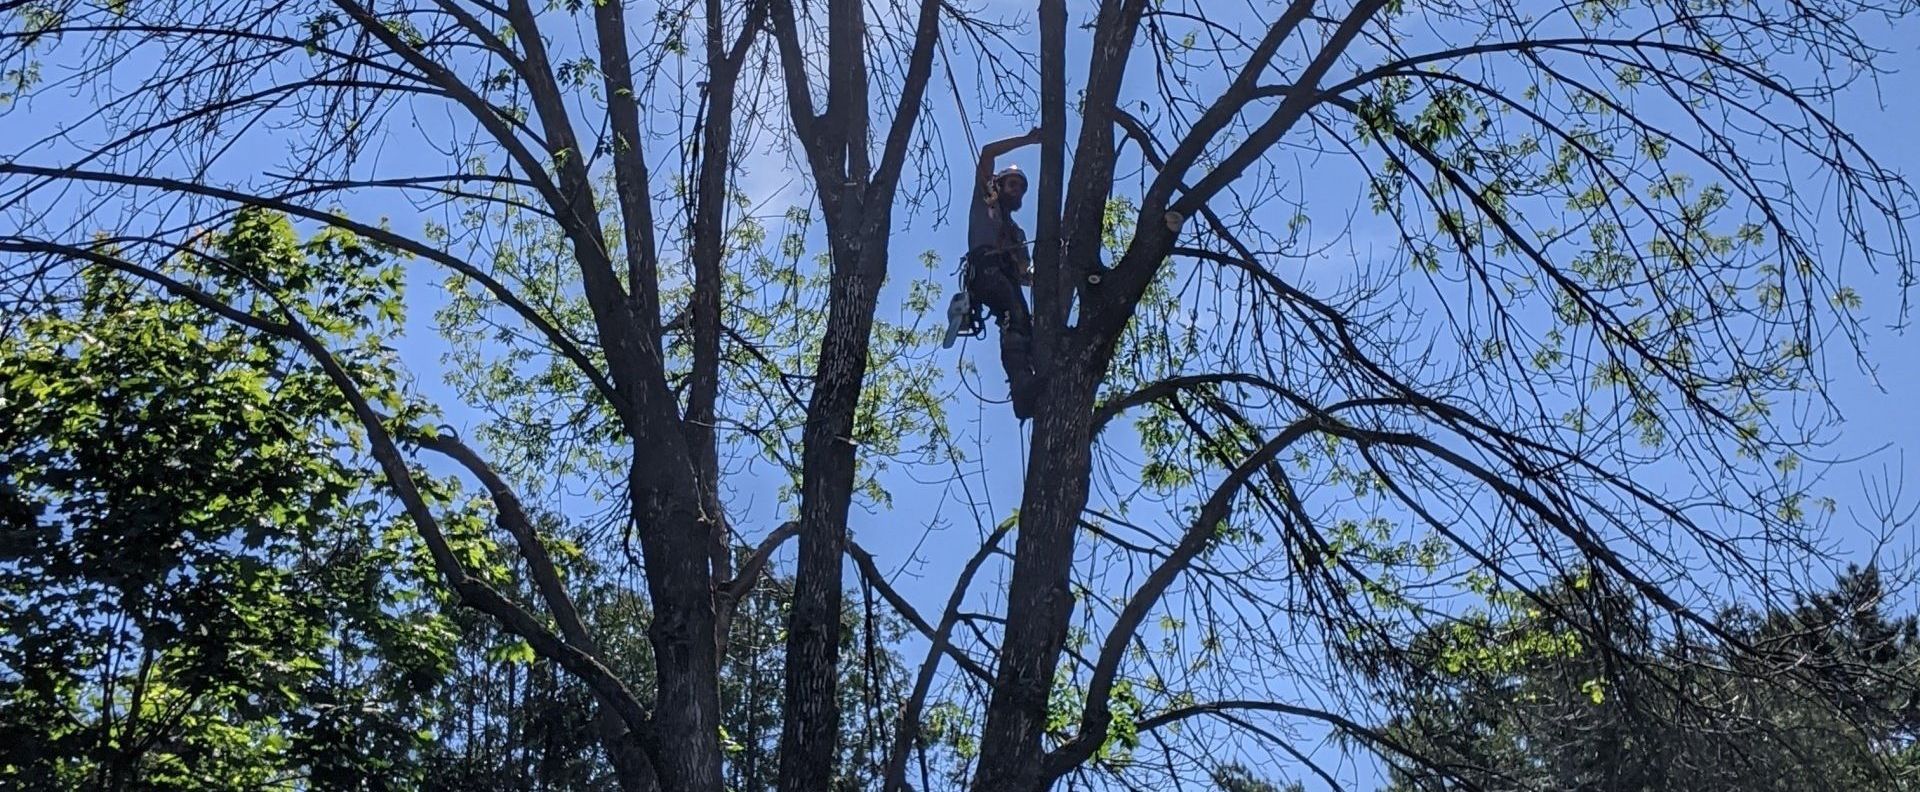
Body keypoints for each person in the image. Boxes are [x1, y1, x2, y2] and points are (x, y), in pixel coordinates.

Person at [956, 128, 1043, 419]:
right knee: (1014, 313)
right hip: (986, 270)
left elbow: (1025, 275)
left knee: (1023, 324)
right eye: (1012, 184)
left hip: (1007, 278)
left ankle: (1027, 382)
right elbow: (987, 152)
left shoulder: (1017, 234)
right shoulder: (986, 200)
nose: (1016, 190)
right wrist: (1028, 140)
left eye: (1021, 188)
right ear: (999, 184)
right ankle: (1021, 388)